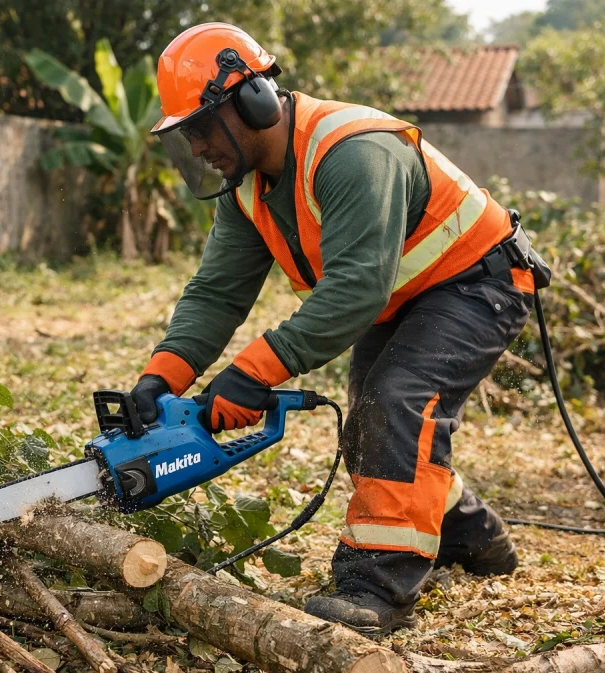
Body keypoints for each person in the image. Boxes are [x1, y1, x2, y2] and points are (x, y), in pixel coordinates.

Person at [130, 22, 548, 633]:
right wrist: (162, 375)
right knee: (373, 429)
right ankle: (475, 537)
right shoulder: (246, 187)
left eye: (199, 128)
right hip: (402, 296)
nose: (196, 149)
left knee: (393, 402)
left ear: (253, 100)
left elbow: (355, 288)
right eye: (185, 135)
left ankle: (375, 589)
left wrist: (255, 370)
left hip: (477, 280)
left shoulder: (351, 151)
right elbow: (217, 292)